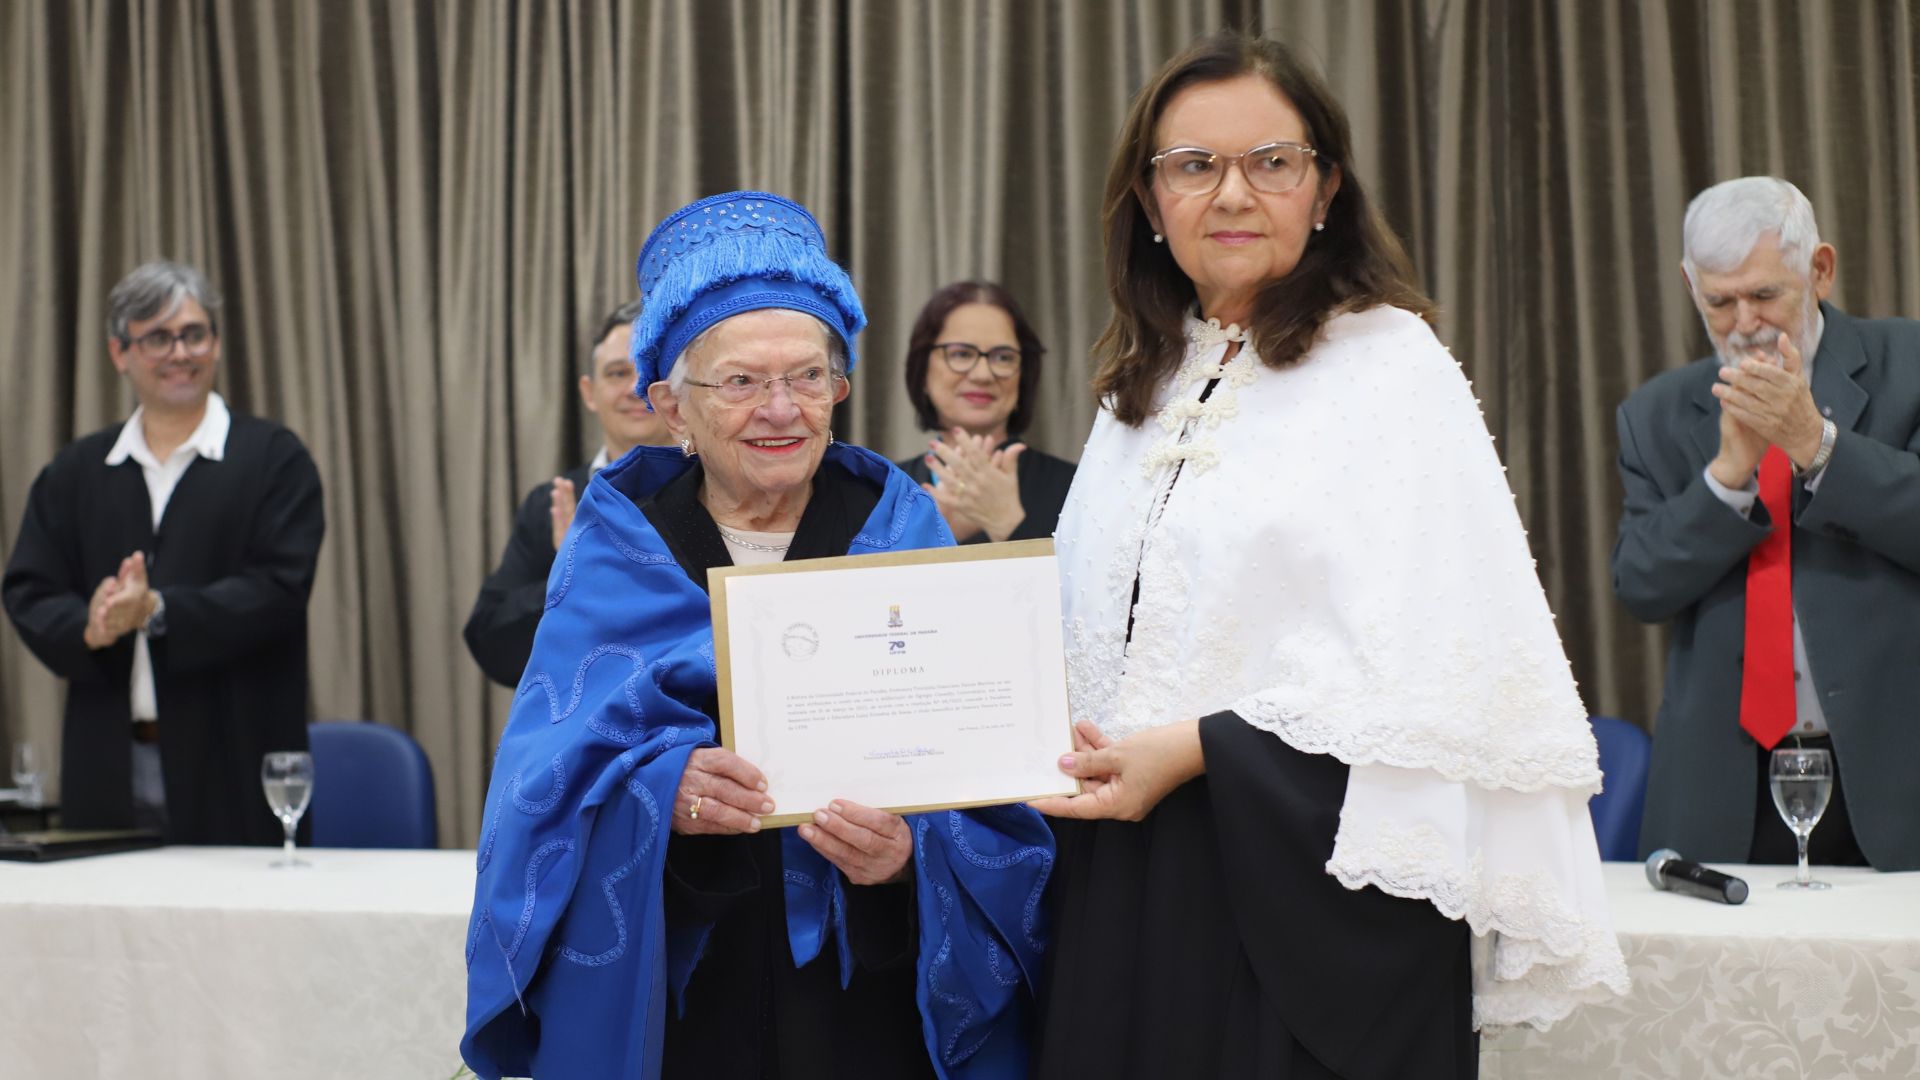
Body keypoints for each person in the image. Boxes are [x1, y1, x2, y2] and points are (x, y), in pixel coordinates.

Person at [1028, 34, 1626, 1079]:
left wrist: (1198, 748)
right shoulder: (1145, 386)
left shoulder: (1392, 370)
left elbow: (1447, 676)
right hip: (1129, 884)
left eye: (1272, 161)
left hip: (1309, 910)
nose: (1233, 193)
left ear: (1326, 188)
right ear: (1151, 201)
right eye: (1194, 165)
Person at [462, 192, 1054, 1080]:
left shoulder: (901, 530)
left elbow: (997, 781)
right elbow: (539, 784)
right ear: (672, 408)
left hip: (868, 1011)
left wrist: (911, 859)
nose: (782, 409)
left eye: (808, 377)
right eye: (741, 383)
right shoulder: (618, 545)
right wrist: (659, 792)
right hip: (686, 1002)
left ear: (838, 390)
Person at [1614, 176, 1920, 872]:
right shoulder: (1656, 414)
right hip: (1724, 791)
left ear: (1820, 271)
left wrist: (1817, 445)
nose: (1745, 323)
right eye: (1720, 302)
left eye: (1764, 295)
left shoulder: (1909, 364)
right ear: (1691, 285)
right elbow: (1640, 586)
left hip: (1894, 774)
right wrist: (1725, 478)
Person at [2, 260, 325, 845]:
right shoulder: (76, 472)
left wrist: (157, 609)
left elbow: (280, 589)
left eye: (194, 334)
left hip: (234, 761)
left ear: (216, 343)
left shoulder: (274, 460)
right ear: (119, 353)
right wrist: (92, 625)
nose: (180, 353)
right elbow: (29, 590)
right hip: (107, 762)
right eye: (157, 338)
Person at [463, 298, 672, 686]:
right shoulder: (554, 503)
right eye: (617, 373)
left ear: (674, 390)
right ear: (589, 393)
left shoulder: (721, 492)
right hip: (586, 711)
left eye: (649, 370)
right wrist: (570, 575)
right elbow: (492, 645)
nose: (634, 387)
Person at [894, 281, 1077, 543]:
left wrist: (1008, 525)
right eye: (961, 354)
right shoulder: (882, 489)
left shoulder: (1077, 488)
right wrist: (937, 539)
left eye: (1003, 357)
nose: (982, 375)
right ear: (923, 371)